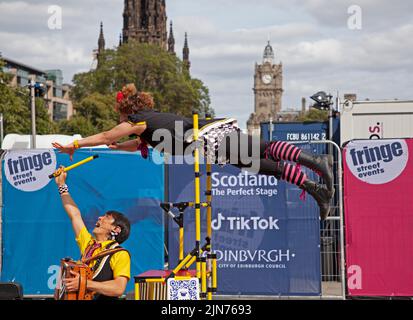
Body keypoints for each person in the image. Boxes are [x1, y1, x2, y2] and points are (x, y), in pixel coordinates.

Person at [52, 84, 334, 219]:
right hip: (208, 145)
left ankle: (316, 161)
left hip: (209, 138)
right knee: (262, 165)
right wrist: (118, 145)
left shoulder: (139, 122)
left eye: (121, 118)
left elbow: (104, 135)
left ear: (128, 113)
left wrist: (74, 144)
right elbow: (136, 143)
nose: (120, 124)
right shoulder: (146, 127)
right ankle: (314, 189)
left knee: (264, 149)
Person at [54, 167, 131, 300]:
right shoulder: (89, 245)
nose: (100, 217)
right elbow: (75, 215)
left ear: (116, 229)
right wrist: (61, 185)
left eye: (107, 217)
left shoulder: (120, 254)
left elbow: (119, 288)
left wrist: (84, 284)